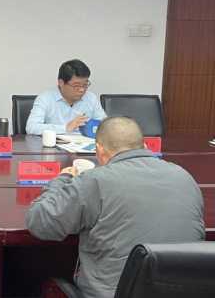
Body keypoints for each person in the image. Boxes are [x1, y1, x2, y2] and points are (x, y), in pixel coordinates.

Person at [26, 116, 204, 298]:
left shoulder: (95, 181)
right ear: (144, 147)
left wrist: (61, 180)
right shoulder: (185, 177)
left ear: (100, 151)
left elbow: (40, 223)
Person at [26, 59, 107, 135]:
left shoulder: (91, 98)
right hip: (56, 144)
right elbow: (31, 127)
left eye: (85, 84)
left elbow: (105, 124)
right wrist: (65, 127)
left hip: (85, 144)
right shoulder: (45, 99)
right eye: (77, 85)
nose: (82, 89)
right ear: (61, 83)